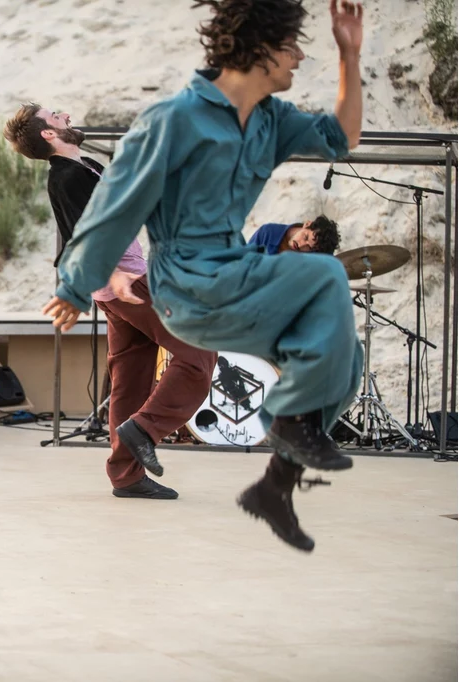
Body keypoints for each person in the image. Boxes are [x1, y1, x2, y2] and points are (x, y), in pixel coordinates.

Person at [43, 0, 366, 552]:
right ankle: (285, 428)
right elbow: (113, 207)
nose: (300, 57)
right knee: (326, 279)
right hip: (182, 284)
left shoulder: (272, 119)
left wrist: (350, 55)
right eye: (293, 46)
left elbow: (343, 138)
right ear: (260, 49)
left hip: (233, 272)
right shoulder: (173, 120)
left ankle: (273, 486)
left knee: (348, 360)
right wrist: (74, 286)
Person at [4, 104, 217, 500]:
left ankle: (126, 476)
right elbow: (79, 237)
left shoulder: (84, 167)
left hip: (120, 284)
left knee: (130, 380)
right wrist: (115, 273)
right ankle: (144, 429)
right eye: (55, 115)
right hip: (126, 284)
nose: (65, 114)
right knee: (198, 353)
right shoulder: (66, 178)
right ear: (48, 134)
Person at [249, 214, 340, 254]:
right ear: (307, 224)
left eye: (309, 247)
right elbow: (242, 261)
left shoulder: (314, 256)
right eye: (305, 237)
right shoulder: (268, 233)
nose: (301, 245)